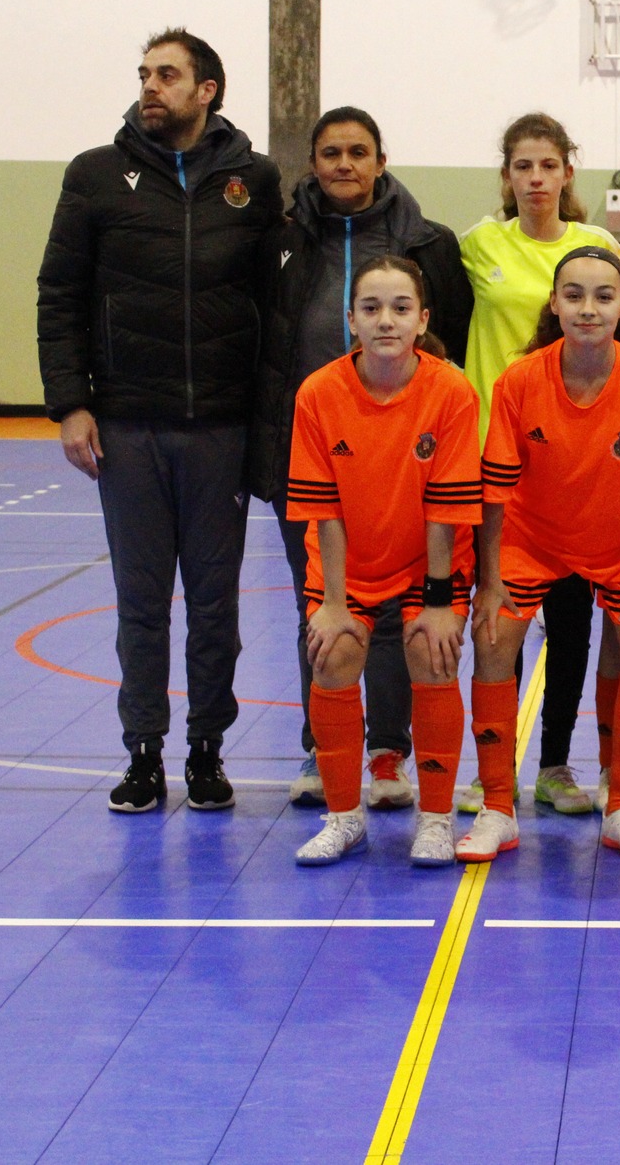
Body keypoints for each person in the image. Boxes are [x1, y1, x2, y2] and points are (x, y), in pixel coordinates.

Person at [37, 28, 283, 813]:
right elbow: (60, 293)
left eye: (167, 74)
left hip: (221, 427)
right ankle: (144, 752)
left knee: (217, 604)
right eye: (145, 73)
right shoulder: (97, 176)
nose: (151, 85)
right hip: (128, 426)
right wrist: (70, 402)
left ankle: (207, 748)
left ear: (206, 88)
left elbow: (273, 306)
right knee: (140, 601)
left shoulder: (254, 180)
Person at [247, 106, 471, 811]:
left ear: (380, 160)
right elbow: (264, 334)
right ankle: (325, 745)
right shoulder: (281, 240)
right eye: (331, 152)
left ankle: (388, 750)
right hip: (311, 443)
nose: (344, 163)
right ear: (312, 163)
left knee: (403, 614)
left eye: (358, 151)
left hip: (405, 453)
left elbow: (452, 338)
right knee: (319, 600)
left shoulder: (426, 241)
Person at [470, 248, 620, 861]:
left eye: (602, 296)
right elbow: (494, 493)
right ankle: (496, 805)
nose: (588, 308)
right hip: (531, 540)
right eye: (573, 295)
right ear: (554, 304)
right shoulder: (519, 381)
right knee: (491, 636)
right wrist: (489, 581)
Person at [457, 113, 620, 818]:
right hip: (493, 461)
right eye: (521, 166)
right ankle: (487, 769)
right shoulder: (475, 245)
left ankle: (555, 763)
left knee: (571, 622)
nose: (534, 178)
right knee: (498, 620)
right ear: (506, 176)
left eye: (547, 165)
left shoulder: (598, 246)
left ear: (567, 173)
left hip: (575, 463)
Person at [287, 257, 481, 866]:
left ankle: (436, 818)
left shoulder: (451, 390)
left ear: (423, 320)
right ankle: (344, 817)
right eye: (371, 308)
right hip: (350, 560)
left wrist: (440, 603)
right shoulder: (318, 393)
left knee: (431, 650)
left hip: (430, 559)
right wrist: (337, 605)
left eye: (400, 308)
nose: (386, 320)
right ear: (352, 320)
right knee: (334, 653)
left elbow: (446, 510)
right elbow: (325, 510)